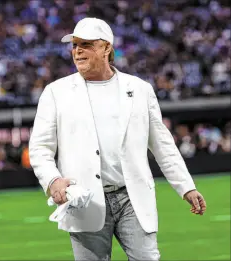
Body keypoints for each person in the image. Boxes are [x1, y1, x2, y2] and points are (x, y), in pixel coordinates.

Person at [29, 17, 207, 261]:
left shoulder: (140, 89)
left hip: (132, 197)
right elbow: (39, 148)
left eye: (86, 44)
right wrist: (53, 180)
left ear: (106, 48)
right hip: (85, 200)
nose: (78, 51)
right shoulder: (55, 92)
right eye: (75, 45)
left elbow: (162, 144)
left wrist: (186, 186)